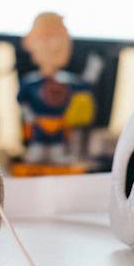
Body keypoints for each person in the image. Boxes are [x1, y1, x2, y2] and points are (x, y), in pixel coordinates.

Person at [17, 12, 94, 164]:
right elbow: (22, 100)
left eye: (61, 38)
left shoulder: (69, 81)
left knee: (58, 150)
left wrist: (94, 68)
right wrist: (29, 117)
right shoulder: (31, 82)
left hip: (60, 125)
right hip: (39, 125)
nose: (56, 45)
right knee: (37, 151)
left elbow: (86, 86)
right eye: (48, 38)